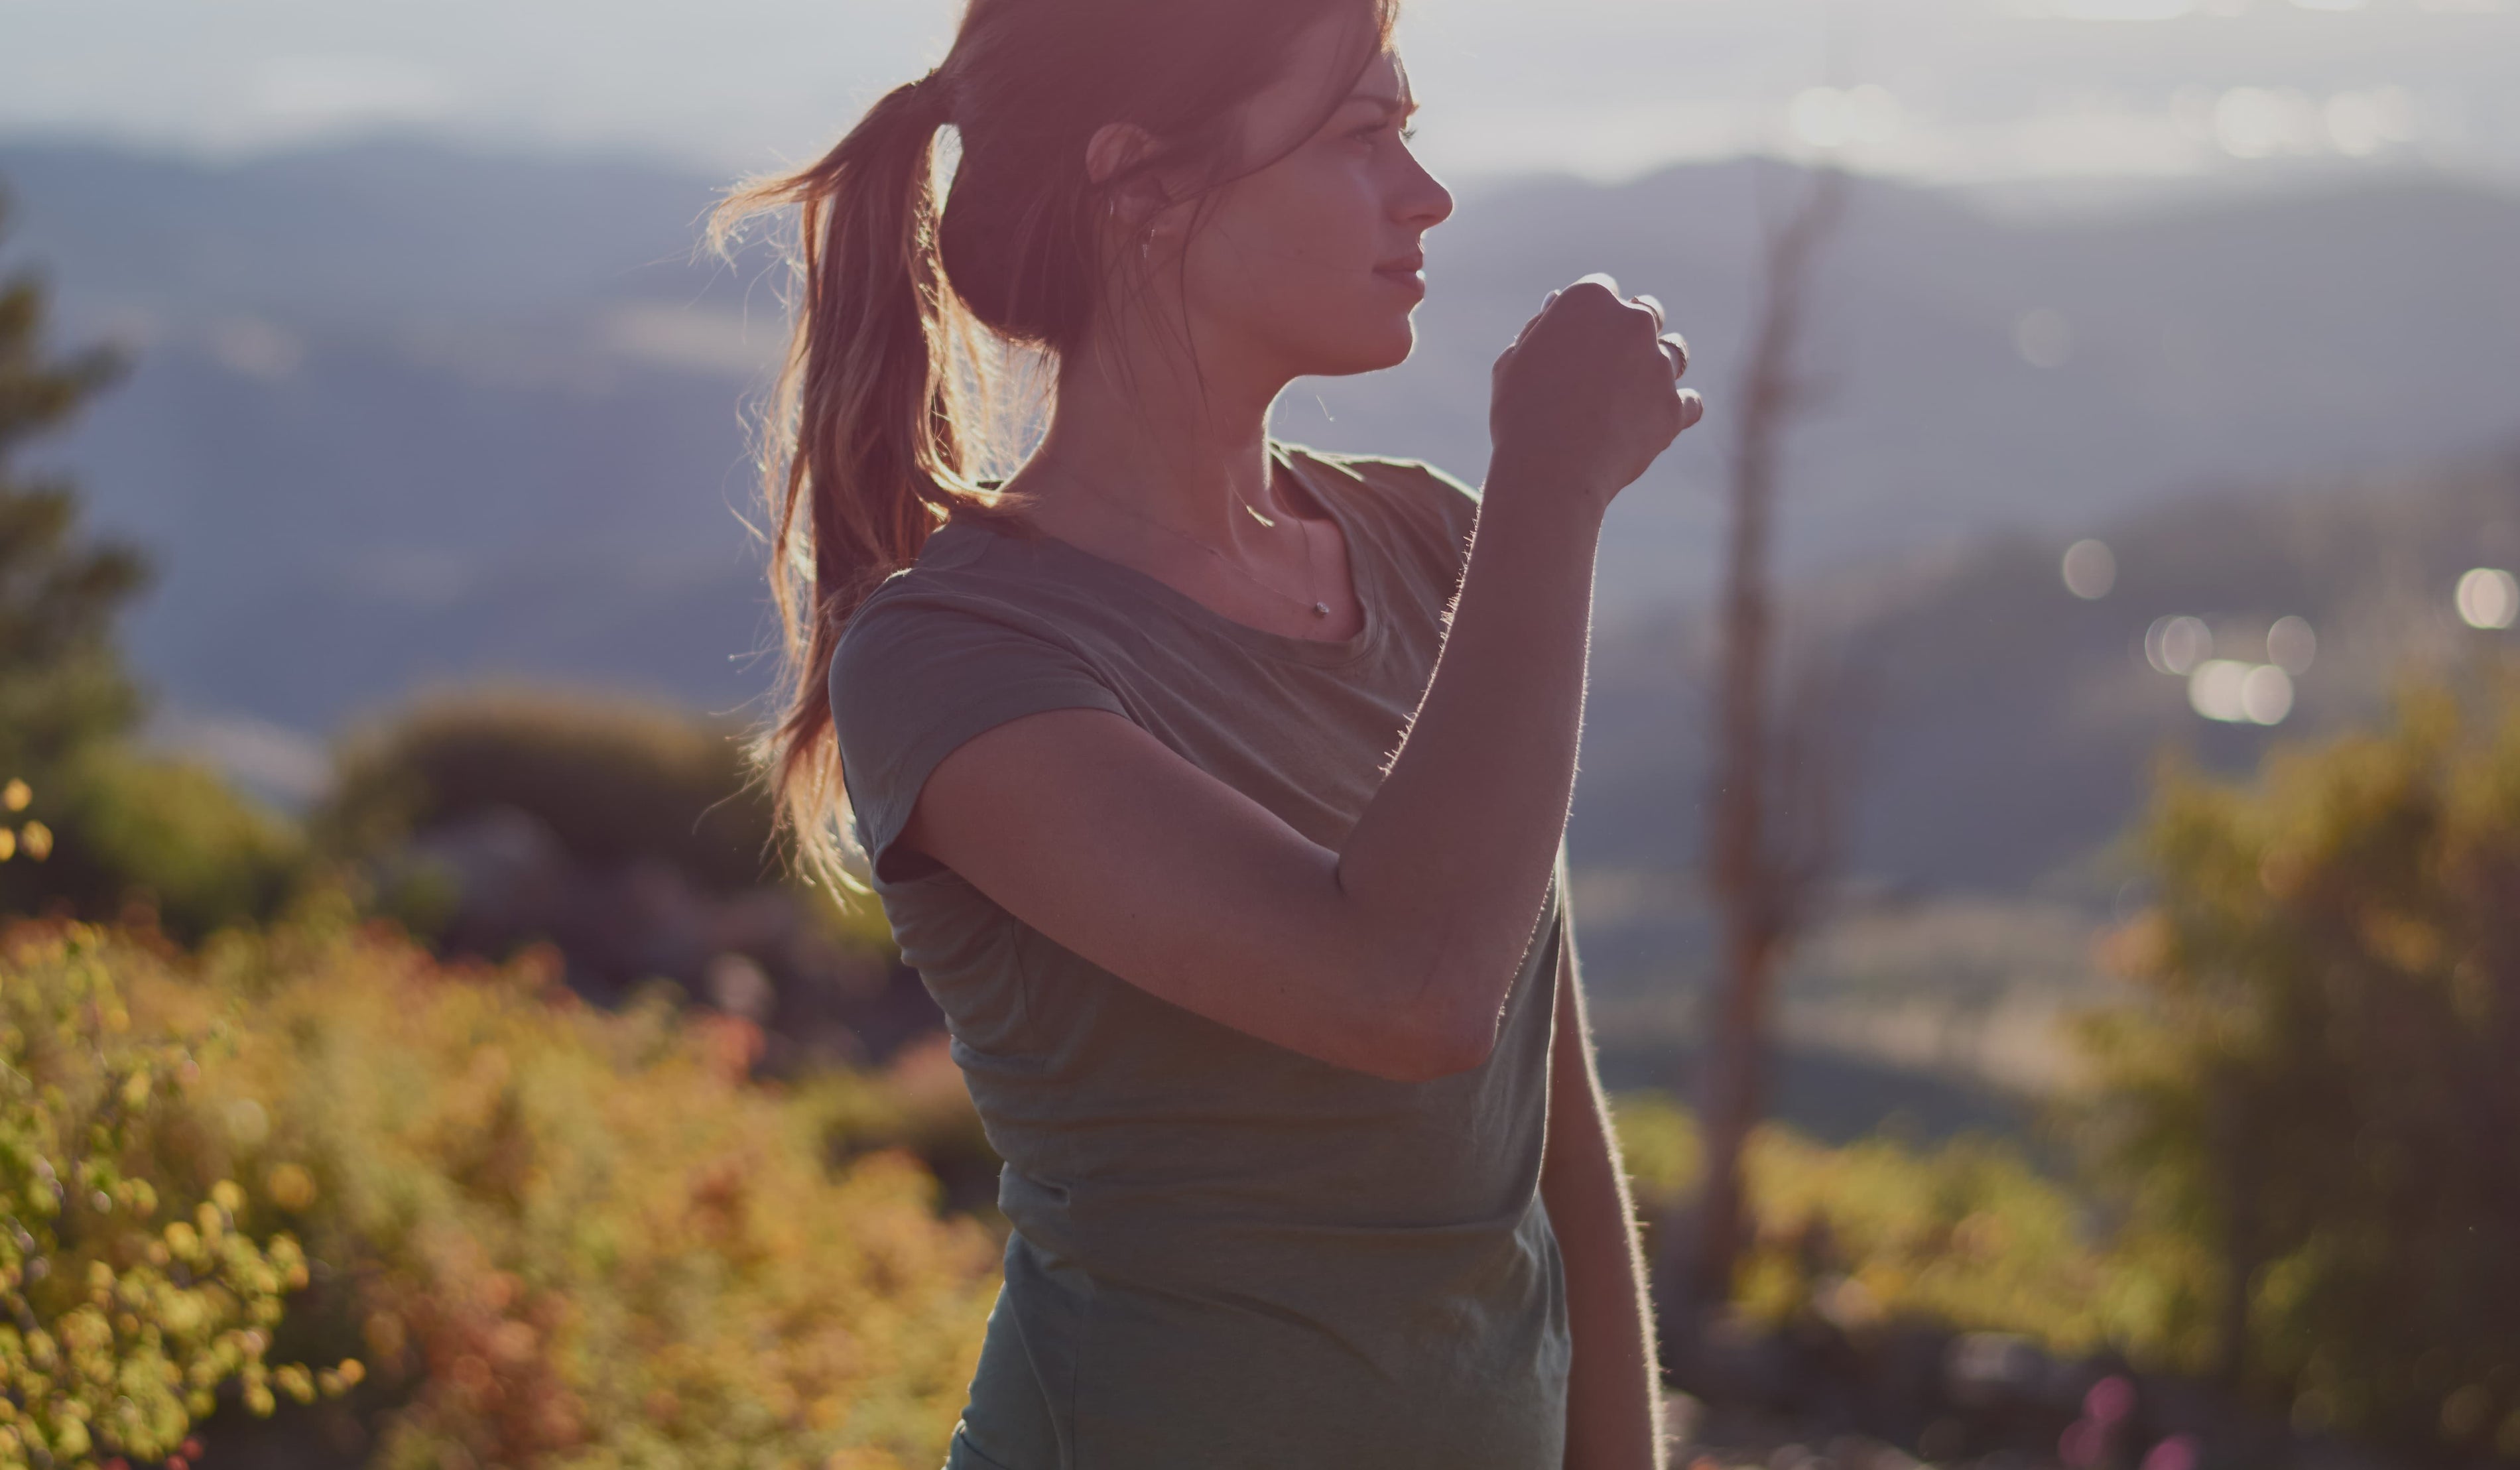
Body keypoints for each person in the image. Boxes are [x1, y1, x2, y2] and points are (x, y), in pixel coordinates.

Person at [711, 0, 1701, 1463]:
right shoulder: (956, 656)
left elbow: (1541, 1132)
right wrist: (1554, 485)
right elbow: (1405, 991)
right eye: (1363, 135)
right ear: (1144, 188)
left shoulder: (1430, 546)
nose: (1424, 194)